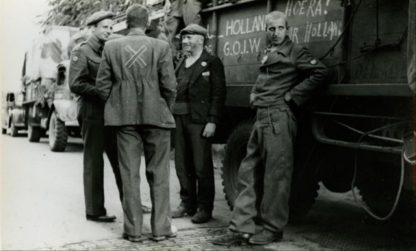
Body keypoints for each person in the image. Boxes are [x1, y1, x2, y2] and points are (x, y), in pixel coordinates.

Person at [212, 11, 329, 246]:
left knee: (276, 177)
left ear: (287, 29)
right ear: (266, 30)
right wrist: (255, 91)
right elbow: (265, 77)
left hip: (278, 118)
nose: (275, 33)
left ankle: (272, 229)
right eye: (271, 29)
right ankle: (241, 228)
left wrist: (292, 95)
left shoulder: (295, 51)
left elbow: (321, 72)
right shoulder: (268, 51)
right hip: (261, 117)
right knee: (247, 173)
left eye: (280, 28)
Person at [95, 4, 177, 242]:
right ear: (147, 21)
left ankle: (133, 231)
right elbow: (170, 86)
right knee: (160, 174)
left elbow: (102, 86)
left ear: (127, 22)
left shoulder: (111, 46)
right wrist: (165, 109)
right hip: (157, 117)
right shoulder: (161, 46)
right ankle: (161, 230)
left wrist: (118, 103)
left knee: (129, 174)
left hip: (124, 118)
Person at [69, 10, 122, 223]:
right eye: (104, 27)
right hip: (91, 111)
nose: (109, 31)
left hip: (110, 111)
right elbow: (75, 83)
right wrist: (99, 91)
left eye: (111, 27)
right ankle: (94, 210)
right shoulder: (82, 51)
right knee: (94, 161)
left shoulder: (109, 49)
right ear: (93, 29)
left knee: (120, 158)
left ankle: (131, 203)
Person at [171, 24, 226, 223]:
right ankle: (187, 203)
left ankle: (204, 207)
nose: (184, 42)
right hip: (179, 119)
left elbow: (218, 94)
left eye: (189, 38)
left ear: (201, 40)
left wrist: (212, 121)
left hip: (199, 121)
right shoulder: (180, 62)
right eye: (183, 38)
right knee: (181, 163)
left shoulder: (211, 62)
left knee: (201, 165)